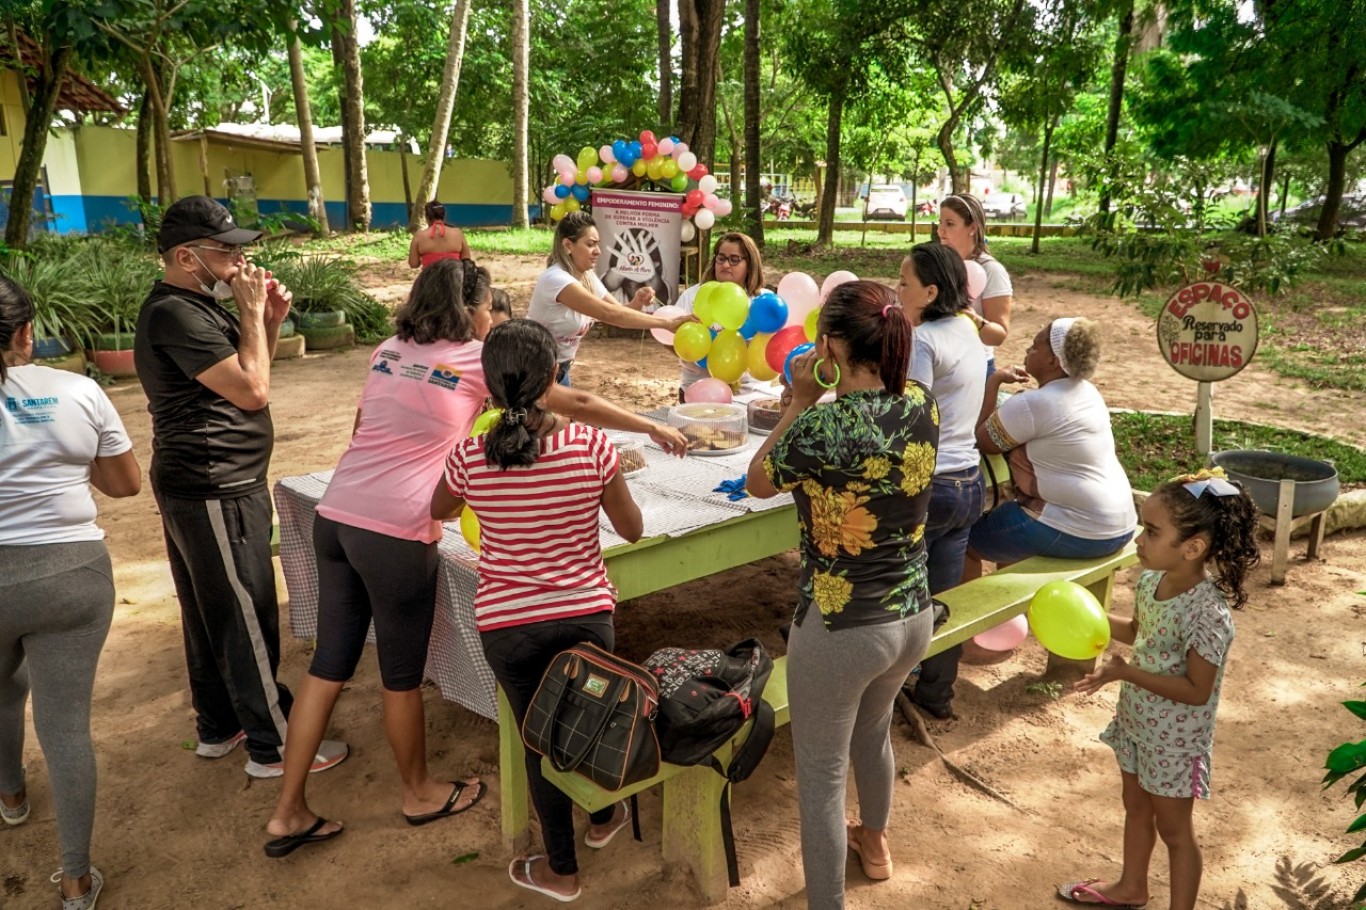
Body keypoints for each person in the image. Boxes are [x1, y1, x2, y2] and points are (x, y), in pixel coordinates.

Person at [263, 261, 493, 858]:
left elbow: (364, 424)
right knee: (400, 675)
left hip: (336, 515)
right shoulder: (474, 359)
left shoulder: (389, 348)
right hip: (397, 530)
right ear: (470, 310)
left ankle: (288, 811)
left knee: (327, 667)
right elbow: (546, 397)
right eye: (489, 307)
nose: (493, 317)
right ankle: (418, 792)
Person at [431, 319, 645, 904]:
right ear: (554, 377)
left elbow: (441, 508)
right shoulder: (592, 445)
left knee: (539, 740)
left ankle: (562, 869)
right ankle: (604, 820)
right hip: (586, 613)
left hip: (508, 624)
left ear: (490, 388)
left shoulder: (471, 454)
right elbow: (632, 529)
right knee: (594, 716)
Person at [134, 195, 348, 779]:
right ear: (186, 256)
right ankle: (274, 742)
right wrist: (252, 312)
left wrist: (269, 319)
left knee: (211, 611)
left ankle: (219, 724)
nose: (239, 260)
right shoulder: (175, 313)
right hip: (213, 485)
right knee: (245, 611)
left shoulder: (196, 304)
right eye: (226, 250)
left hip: (213, 482)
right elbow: (254, 392)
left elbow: (252, 368)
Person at [745, 281, 939, 910]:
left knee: (822, 778)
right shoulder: (921, 402)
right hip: (911, 613)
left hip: (840, 624)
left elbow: (756, 481)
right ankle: (875, 845)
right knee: (874, 731)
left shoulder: (823, 423)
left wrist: (798, 400)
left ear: (828, 345)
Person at [0, 275, 141, 909]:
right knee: (65, 728)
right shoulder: (77, 390)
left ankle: (10, 796)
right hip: (72, 576)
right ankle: (78, 881)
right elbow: (124, 485)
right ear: (27, 333)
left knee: (2, 690)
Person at [1059, 467, 1258, 910]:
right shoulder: (1151, 582)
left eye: (1150, 531)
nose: (1138, 540)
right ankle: (1132, 886)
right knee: (1135, 806)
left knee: (1175, 832)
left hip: (1175, 743)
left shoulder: (1208, 614)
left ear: (1192, 548)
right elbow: (1137, 630)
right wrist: (1084, 612)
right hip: (1137, 725)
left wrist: (1126, 674)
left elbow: (1196, 690)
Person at [966, 317, 1137, 582]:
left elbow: (983, 442)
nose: (1027, 351)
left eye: (1035, 347)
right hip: (1121, 524)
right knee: (1010, 521)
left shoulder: (1035, 403)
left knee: (963, 542)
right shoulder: (1088, 392)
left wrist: (995, 381)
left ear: (1052, 361)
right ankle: (1014, 619)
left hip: (1081, 530)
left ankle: (972, 619)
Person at [895, 243, 987, 720]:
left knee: (899, 593)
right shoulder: (968, 329)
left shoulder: (924, 341)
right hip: (968, 480)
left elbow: (914, 419)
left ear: (930, 292)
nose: (897, 289)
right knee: (943, 599)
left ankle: (884, 691)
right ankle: (936, 694)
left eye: (904, 283)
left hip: (932, 485)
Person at [526, 212, 692, 387]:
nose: (597, 251)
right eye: (590, 245)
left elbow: (618, 311)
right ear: (568, 245)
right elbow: (610, 314)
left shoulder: (587, 276)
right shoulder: (556, 279)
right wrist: (667, 323)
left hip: (559, 370)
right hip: (533, 371)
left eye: (597, 244)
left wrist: (636, 302)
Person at [674, 231, 765, 401]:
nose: (725, 265)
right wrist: (692, 350)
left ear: (750, 264)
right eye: (721, 258)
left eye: (734, 259)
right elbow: (671, 339)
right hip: (697, 392)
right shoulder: (693, 296)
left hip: (748, 394)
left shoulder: (761, 302)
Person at [937, 193, 1013, 373]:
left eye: (949, 224)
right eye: (940, 222)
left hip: (975, 367)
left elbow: (999, 335)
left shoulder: (991, 271)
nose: (940, 231)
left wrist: (972, 318)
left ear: (972, 228)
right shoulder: (937, 264)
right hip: (939, 363)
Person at [407, 201, 471, 268]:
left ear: (427, 218)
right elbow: (466, 259)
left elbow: (413, 264)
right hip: (454, 276)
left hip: (430, 277)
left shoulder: (419, 236)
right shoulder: (457, 233)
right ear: (444, 215)